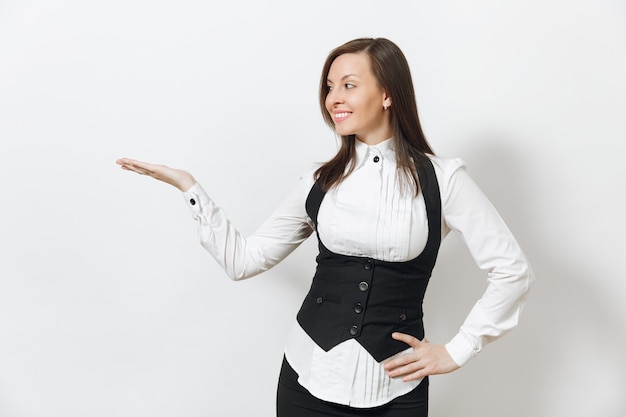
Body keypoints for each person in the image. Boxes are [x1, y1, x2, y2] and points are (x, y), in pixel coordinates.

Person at [117, 37, 533, 417]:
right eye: (330, 87)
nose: (334, 98)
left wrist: (458, 350)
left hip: (396, 392)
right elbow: (243, 261)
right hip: (306, 379)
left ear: (387, 94)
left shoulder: (443, 180)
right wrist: (189, 187)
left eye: (349, 85)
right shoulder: (320, 181)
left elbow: (512, 271)